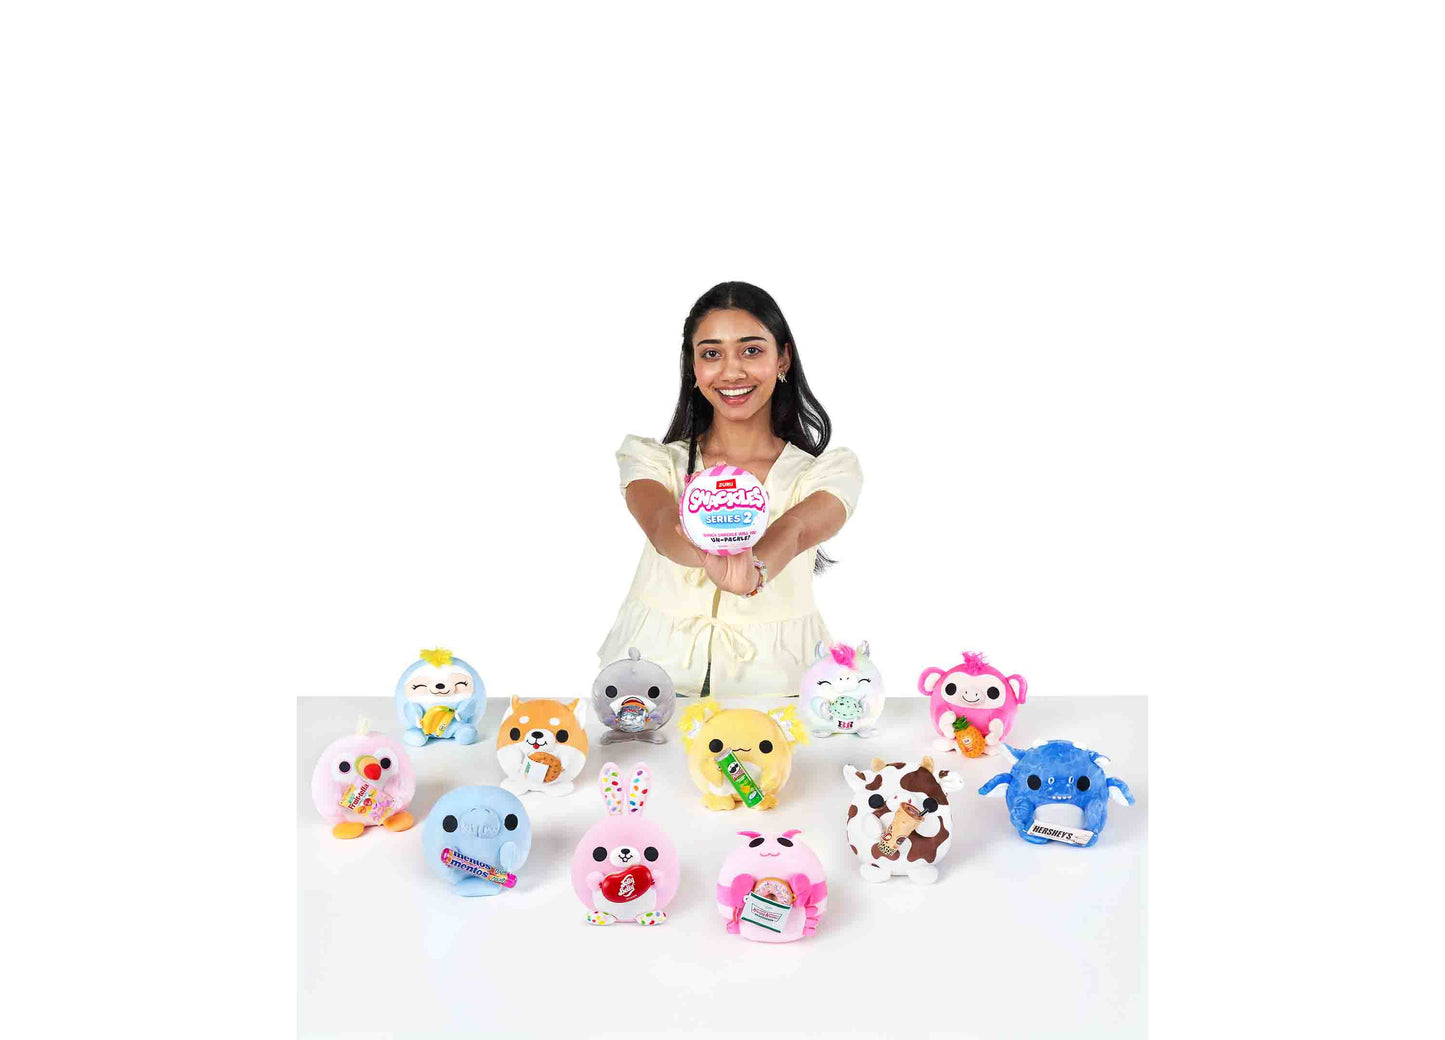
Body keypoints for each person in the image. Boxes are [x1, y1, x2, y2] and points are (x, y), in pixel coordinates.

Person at [598, 281, 863, 697]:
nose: (732, 371)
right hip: (649, 686)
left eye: (751, 350)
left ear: (783, 358)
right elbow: (662, 526)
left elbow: (795, 529)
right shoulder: (655, 462)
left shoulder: (824, 473)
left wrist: (754, 571)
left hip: (776, 688)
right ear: (693, 366)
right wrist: (710, 555)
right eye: (711, 353)